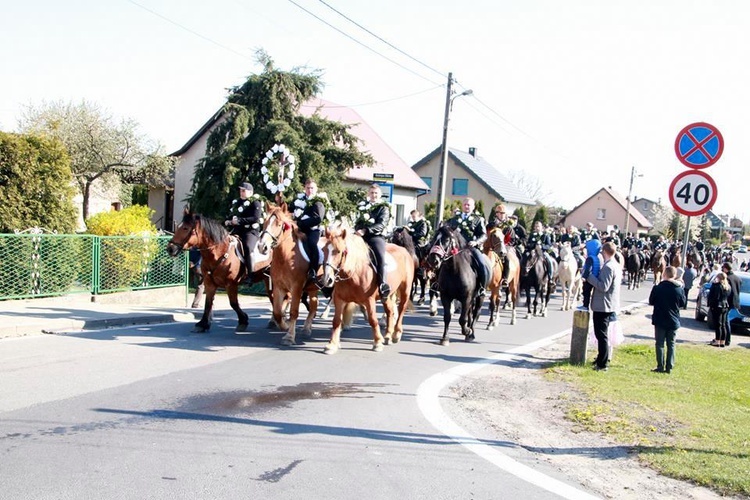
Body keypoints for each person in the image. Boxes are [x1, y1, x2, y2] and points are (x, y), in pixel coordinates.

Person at [586, 241, 622, 372]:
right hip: (608, 304)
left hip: (603, 305)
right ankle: (601, 358)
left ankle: (602, 364)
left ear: (605, 252)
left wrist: (589, 276)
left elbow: (603, 286)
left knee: (601, 335)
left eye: (602, 252)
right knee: (602, 335)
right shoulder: (615, 265)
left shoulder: (608, 267)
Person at [449, 197, 490, 298]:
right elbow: (448, 231)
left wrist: (476, 242)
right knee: (443, 261)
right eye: (465, 204)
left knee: (482, 264)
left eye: (469, 205)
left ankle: (481, 287)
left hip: (470, 248)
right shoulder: (454, 218)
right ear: (462, 206)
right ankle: (436, 285)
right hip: (456, 248)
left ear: (473, 207)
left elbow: (484, 235)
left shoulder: (478, 219)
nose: (466, 206)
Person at [355, 184, 392, 298]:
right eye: (371, 193)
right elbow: (357, 220)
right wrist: (357, 229)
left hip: (375, 236)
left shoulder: (383, 207)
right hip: (360, 235)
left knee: (380, 257)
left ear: (380, 195)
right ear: (368, 194)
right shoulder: (362, 206)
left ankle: (382, 284)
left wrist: (366, 230)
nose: (373, 195)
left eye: (376, 193)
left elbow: (381, 224)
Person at [648, 266, 687, 373]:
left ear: (664, 274)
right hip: (673, 319)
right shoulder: (679, 289)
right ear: (674, 275)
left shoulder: (658, 288)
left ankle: (660, 366)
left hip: (660, 318)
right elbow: (683, 304)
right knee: (671, 344)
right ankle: (669, 366)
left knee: (659, 343)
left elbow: (651, 301)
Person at [225, 182, 262, 281]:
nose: (241, 193)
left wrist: (239, 221)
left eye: (243, 191)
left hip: (251, 231)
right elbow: (232, 214)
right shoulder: (237, 202)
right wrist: (228, 221)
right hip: (238, 230)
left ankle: (250, 274)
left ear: (250, 192)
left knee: (247, 246)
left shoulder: (255, 202)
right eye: (240, 190)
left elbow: (255, 218)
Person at [295, 179, 326, 284]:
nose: (309, 190)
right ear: (305, 188)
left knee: (312, 244)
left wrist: (301, 223)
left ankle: (313, 270)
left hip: (313, 230)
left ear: (316, 189)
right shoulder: (299, 199)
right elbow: (291, 209)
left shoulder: (319, 201)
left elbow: (318, 218)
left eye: (312, 188)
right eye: (308, 188)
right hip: (298, 230)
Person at [707, 272, 732, 347]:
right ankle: (722, 341)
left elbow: (715, 297)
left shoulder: (717, 286)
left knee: (718, 324)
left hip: (718, 306)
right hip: (725, 306)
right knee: (723, 324)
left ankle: (717, 340)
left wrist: (711, 305)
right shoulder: (728, 286)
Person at [577, 238, 602, 311]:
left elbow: (588, 268)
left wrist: (584, 276)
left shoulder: (590, 258)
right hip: (595, 277)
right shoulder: (596, 257)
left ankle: (585, 305)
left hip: (589, 279)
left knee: (585, 292)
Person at [722, 262, 742, 347]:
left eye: (723, 268)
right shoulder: (738, 278)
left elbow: (727, 291)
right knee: (726, 320)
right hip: (735, 301)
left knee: (725, 320)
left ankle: (727, 339)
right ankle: (725, 339)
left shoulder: (728, 278)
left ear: (726, 268)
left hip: (728, 301)